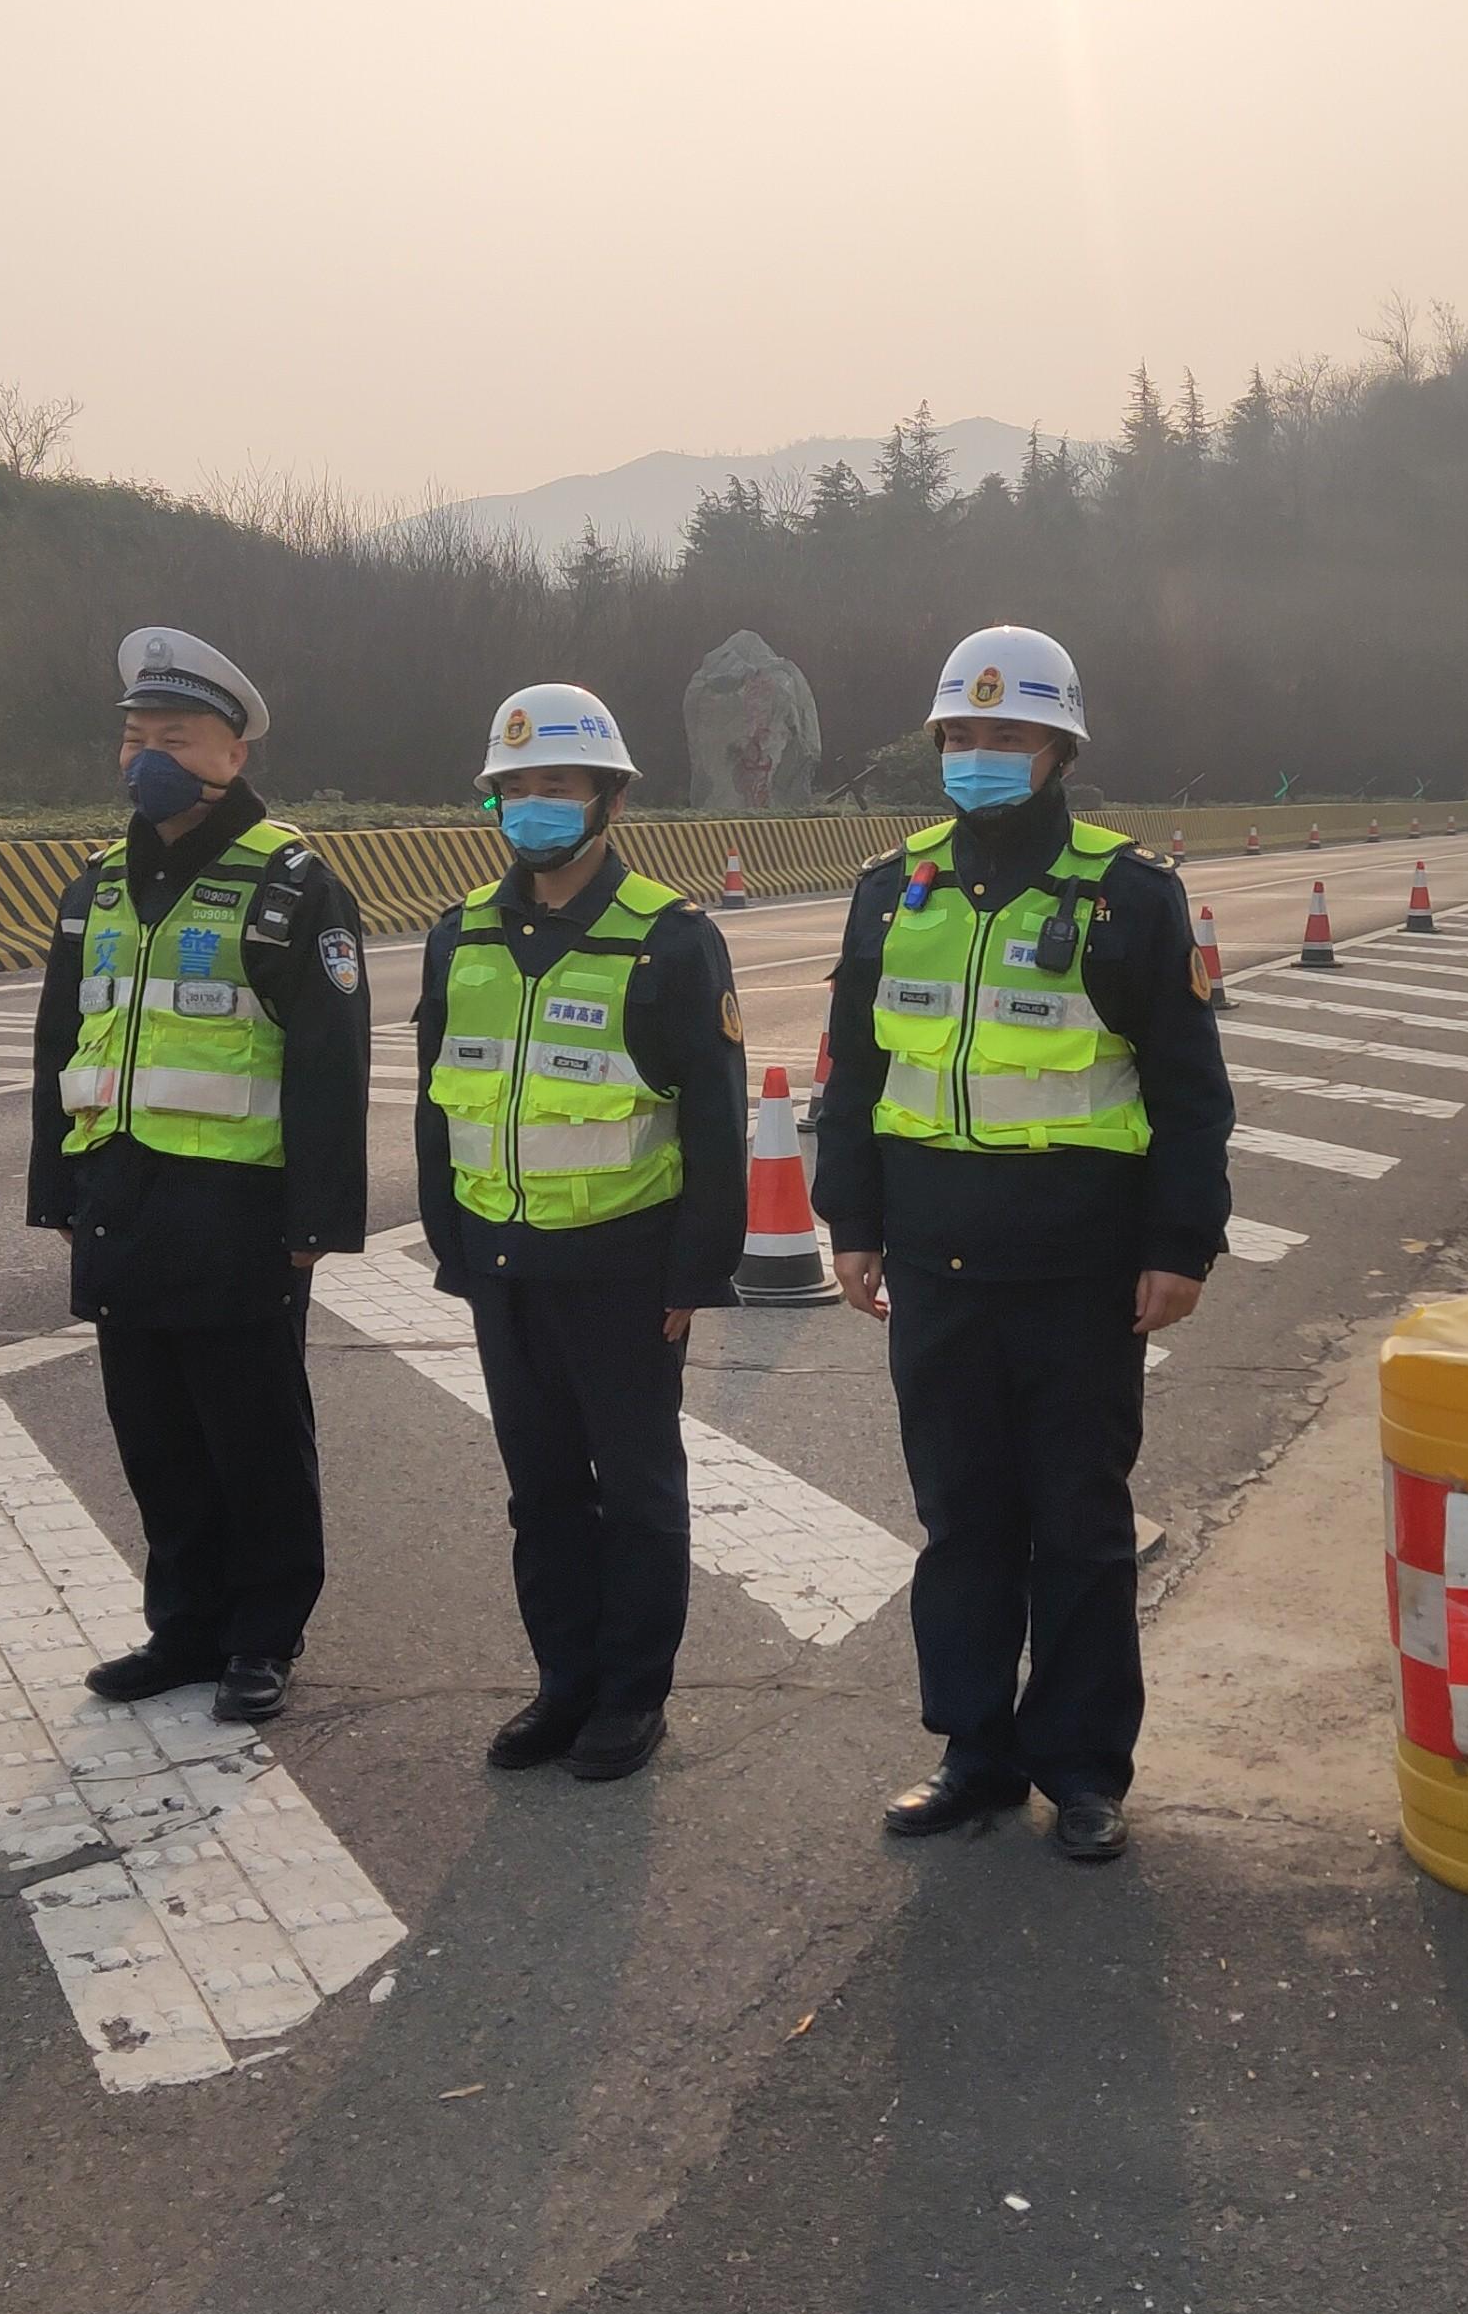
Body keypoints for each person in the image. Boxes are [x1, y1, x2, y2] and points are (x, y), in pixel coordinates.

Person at [810, 626, 1234, 1860]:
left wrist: (1181, 1244)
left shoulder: (1127, 893)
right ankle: (973, 1754)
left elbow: (1188, 1090)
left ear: (1057, 748)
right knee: (962, 1524)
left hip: (1080, 1273)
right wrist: (854, 1222)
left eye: (1006, 735)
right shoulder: (895, 886)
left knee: (1082, 1526)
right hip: (936, 1266)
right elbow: (854, 1070)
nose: (979, 755)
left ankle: (1086, 1768)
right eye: (962, 735)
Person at [30, 627, 371, 1726]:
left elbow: (330, 1058)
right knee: (154, 1429)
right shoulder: (97, 882)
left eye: (173, 737)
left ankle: (262, 1633)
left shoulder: (289, 881)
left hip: (239, 1208)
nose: (147, 757)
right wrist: (57, 1188)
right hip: (121, 1197)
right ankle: (182, 1624)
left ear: (231, 750)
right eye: (134, 738)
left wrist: (317, 1215)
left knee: (253, 1430)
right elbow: (60, 1039)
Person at [414, 683, 748, 1783]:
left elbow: (712, 1115)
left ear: (606, 797)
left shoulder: (668, 938)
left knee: (638, 1488)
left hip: (625, 1267)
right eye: (513, 787)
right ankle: (562, 1684)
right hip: (504, 1265)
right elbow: (436, 1098)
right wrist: (452, 1249)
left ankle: (629, 1696)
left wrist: (696, 1269)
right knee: (542, 1489)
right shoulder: (459, 932)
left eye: (555, 785)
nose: (532, 805)